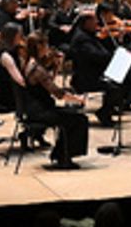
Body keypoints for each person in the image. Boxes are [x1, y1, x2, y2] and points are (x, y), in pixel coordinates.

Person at [21, 32, 90, 169]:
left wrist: (57, 66)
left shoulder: (30, 63)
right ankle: (63, 157)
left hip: (36, 108)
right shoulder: (37, 69)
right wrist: (78, 99)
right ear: (39, 46)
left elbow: (48, 83)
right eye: (46, 45)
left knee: (73, 116)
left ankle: (60, 154)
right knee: (78, 119)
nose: (48, 48)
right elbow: (58, 93)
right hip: (40, 111)